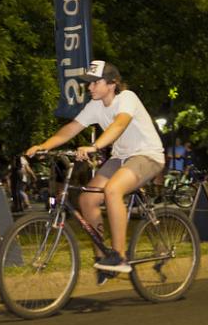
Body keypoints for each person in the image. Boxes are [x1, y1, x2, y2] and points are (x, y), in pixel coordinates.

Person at [25, 60, 164, 282]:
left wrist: (95, 146)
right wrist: (44, 146)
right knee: (87, 200)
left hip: (147, 155)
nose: (89, 88)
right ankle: (103, 259)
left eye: (94, 83)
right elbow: (71, 128)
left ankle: (119, 256)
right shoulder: (95, 106)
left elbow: (119, 125)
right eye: (88, 83)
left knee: (112, 191)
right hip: (121, 158)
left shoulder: (127, 98)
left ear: (112, 84)